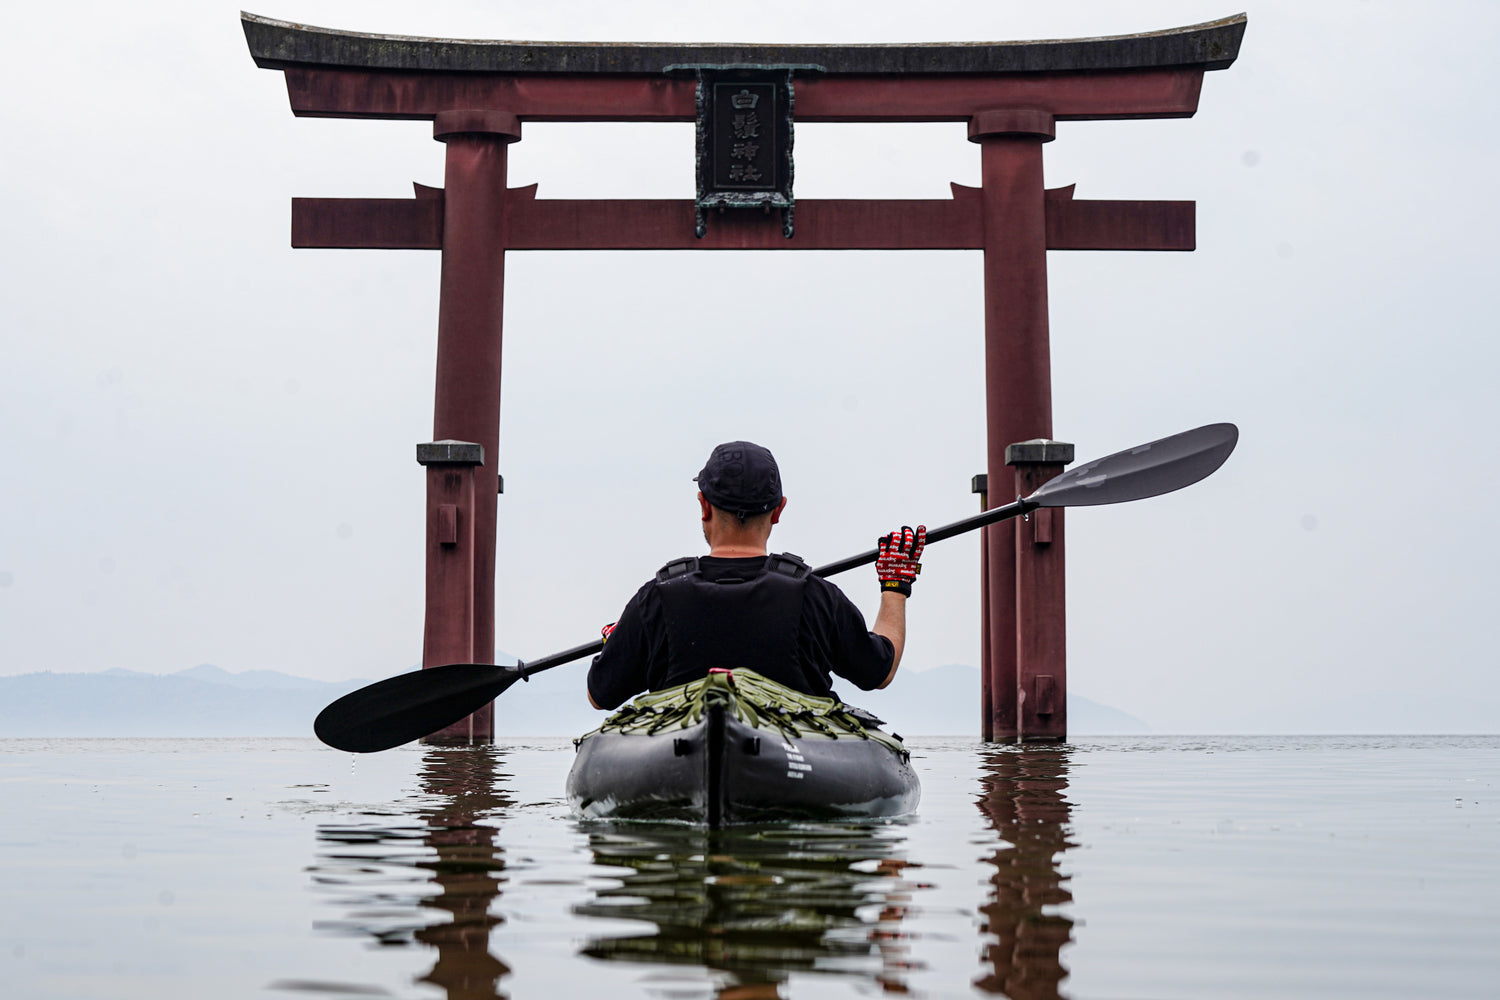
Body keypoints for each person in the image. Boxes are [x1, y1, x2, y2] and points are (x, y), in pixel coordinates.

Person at [586, 440, 925, 711]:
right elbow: (880, 672)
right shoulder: (818, 596)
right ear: (778, 510)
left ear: (704, 505)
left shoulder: (655, 599)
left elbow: (600, 695)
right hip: (795, 762)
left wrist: (618, 642)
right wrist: (895, 584)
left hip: (678, 761)